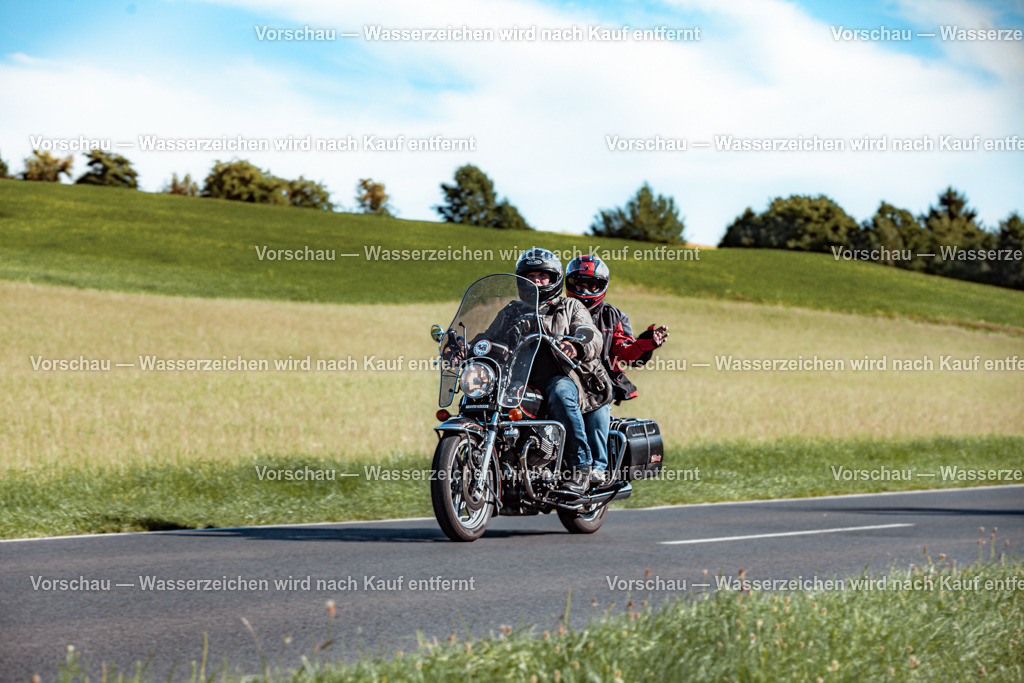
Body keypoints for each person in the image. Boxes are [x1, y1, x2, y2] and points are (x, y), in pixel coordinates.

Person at [471, 248, 613, 493]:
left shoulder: (570, 306)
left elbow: (590, 333)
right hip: (517, 380)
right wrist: (467, 347)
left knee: (560, 393)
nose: (536, 281)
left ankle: (579, 467)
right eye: (530, 276)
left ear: (554, 279)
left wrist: (576, 345)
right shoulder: (512, 310)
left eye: (542, 276)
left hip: (562, 375)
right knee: (481, 395)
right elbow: (489, 337)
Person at [565, 254, 668, 483]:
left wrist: (645, 343)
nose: (584, 290)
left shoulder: (612, 316)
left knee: (597, 408)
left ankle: (597, 467)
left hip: (597, 382)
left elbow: (626, 353)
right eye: (578, 284)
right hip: (561, 377)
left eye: (591, 285)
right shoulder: (561, 310)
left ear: (601, 286)